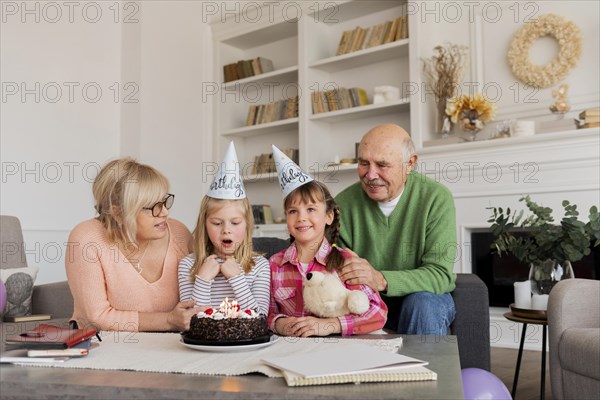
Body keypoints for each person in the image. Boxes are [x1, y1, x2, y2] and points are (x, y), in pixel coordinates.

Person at [335, 124, 457, 335]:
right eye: (364, 163)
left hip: (424, 300)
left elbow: (440, 275)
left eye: (382, 165)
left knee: (422, 304)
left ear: (409, 164)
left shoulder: (436, 198)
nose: (371, 175)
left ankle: (421, 370)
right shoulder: (342, 204)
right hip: (364, 301)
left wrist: (381, 279)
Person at [66, 158, 199, 332]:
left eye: (165, 202)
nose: (165, 213)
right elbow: (97, 318)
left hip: (173, 343)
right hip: (105, 345)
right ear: (118, 213)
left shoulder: (178, 232)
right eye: (152, 207)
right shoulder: (86, 238)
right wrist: (167, 320)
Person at [268, 145, 387, 337]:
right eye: (293, 211)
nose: (301, 218)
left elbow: (377, 313)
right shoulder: (275, 264)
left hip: (338, 351)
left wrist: (331, 325)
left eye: (311, 209)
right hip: (293, 350)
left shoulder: (345, 260)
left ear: (329, 216)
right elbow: (268, 313)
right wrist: (280, 324)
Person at [178, 142, 270, 315]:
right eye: (217, 223)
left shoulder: (259, 266)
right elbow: (190, 321)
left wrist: (236, 278)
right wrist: (203, 279)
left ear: (247, 224)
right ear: (204, 224)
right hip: (204, 342)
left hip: (245, 342)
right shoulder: (188, 265)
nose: (226, 230)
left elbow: (260, 318)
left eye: (235, 223)